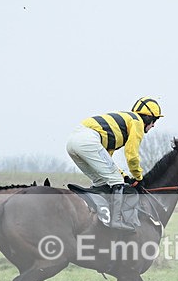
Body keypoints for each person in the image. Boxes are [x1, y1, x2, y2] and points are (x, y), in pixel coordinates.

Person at [66, 97, 162, 232]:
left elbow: (108, 162)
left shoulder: (118, 128)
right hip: (88, 140)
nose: (153, 125)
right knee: (115, 180)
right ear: (147, 117)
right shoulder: (137, 122)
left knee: (101, 180)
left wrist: (126, 177)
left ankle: (96, 214)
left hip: (72, 142)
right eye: (154, 120)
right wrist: (138, 177)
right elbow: (132, 155)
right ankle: (115, 220)